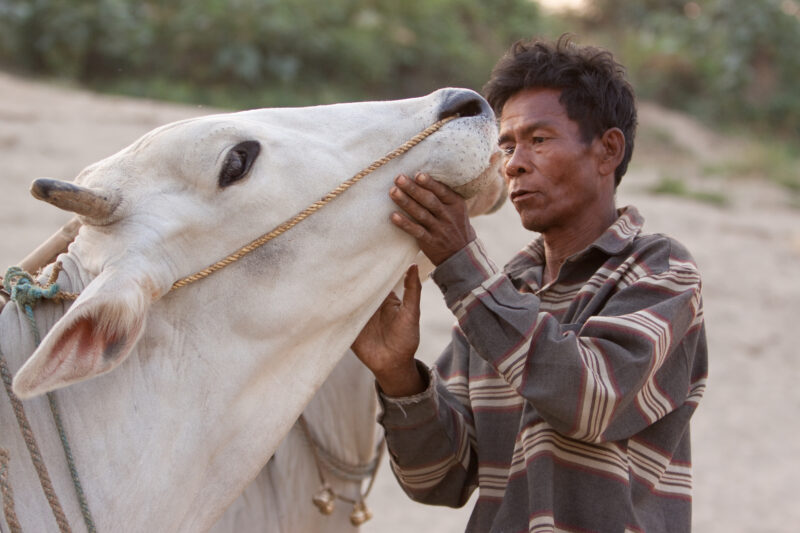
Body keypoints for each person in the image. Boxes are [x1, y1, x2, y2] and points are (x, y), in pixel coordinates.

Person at [351, 35, 708, 532]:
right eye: (507, 145)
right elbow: (439, 479)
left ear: (608, 150)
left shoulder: (660, 270)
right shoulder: (503, 293)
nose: (514, 163)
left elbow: (591, 399)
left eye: (539, 140)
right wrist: (399, 378)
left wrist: (460, 266)